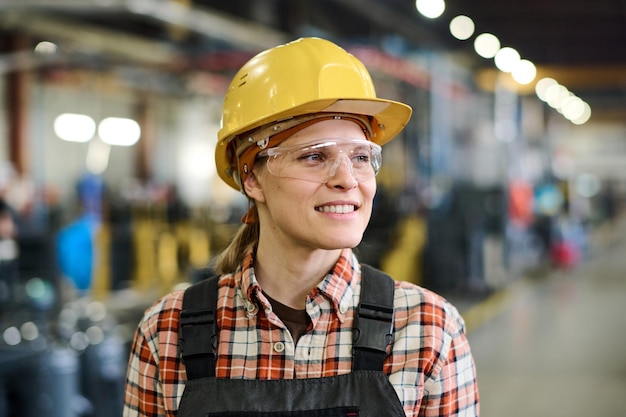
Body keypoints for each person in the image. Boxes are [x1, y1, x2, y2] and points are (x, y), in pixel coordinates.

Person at [123, 37, 479, 417]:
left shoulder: (429, 330)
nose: (347, 179)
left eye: (360, 156)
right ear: (252, 179)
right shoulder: (167, 332)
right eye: (314, 156)